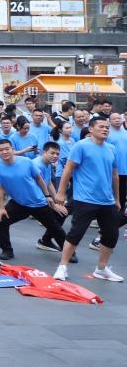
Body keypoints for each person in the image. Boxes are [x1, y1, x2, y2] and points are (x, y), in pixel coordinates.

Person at [0, 138, 68, 261]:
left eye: (7, 149)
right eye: (1, 150)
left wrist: (48, 197)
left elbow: (40, 179)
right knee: (2, 219)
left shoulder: (26, 162)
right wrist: (1, 208)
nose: (4, 152)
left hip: (37, 202)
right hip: (18, 202)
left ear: (12, 150)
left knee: (54, 226)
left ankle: (68, 252)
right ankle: (6, 250)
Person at [54, 116, 122, 282]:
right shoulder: (81, 146)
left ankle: (102, 269)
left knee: (111, 235)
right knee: (76, 234)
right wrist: (61, 192)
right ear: (91, 129)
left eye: (107, 127)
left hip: (106, 200)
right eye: (101, 126)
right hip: (85, 198)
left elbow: (114, 175)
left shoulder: (111, 148)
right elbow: (68, 169)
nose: (105, 129)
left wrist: (117, 199)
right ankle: (62, 267)